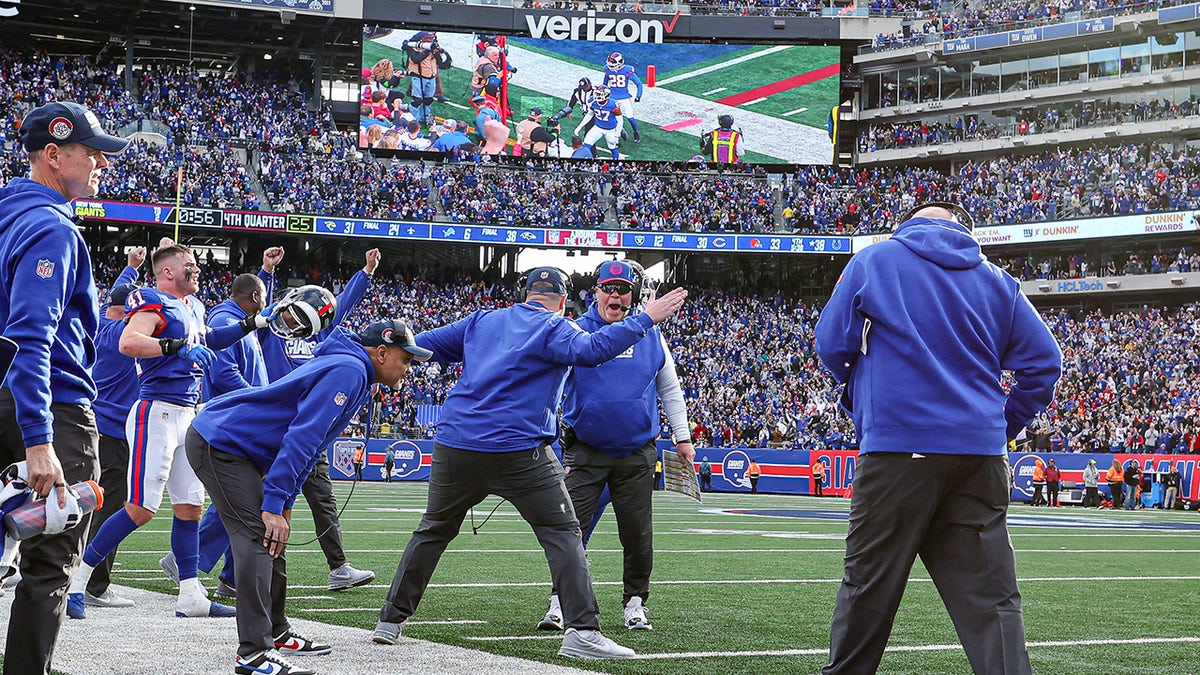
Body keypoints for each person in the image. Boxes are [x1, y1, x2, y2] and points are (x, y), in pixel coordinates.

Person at [372, 267, 688, 660]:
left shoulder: (481, 321)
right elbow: (593, 352)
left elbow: (422, 346)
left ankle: (390, 620)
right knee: (563, 533)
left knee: (433, 530)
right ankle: (582, 631)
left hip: (456, 445)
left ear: (525, 294)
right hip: (518, 452)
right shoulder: (557, 328)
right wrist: (645, 318)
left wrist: (373, 359)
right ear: (561, 302)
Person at [815, 201, 1062, 675]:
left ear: (907, 222)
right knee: (993, 602)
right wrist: (1001, 425)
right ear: (962, 227)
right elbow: (1044, 363)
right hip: (980, 457)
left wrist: (862, 400)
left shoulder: (875, 258)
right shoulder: (998, 280)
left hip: (897, 451)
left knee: (868, 587)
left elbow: (830, 343)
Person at [187, 317, 430, 675]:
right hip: (221, 443)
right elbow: (301, 438)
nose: (408, 369)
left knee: (273, 539)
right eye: (405, 359)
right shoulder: (349, 370)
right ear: (381, 352)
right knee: (257, 537)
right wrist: (272, 504)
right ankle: (253, 653)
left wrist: (283, 504)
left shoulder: (356, 371)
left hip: (241, 447)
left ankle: (276, 630)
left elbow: (314, 446)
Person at [66, 242, 271, 620]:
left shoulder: (193, 306)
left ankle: (191, 596)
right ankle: (78, 581)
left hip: (187, 413)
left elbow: (209, 339)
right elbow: (130, 341)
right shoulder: (152, 300)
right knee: (141, 508)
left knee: (191, 507)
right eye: (189, 265)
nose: (196, 270)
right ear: (167, 272)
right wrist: (175, 347)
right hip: (156, 411)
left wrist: (252, 323)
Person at [0, 100, 129, 675]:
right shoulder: (53, 229)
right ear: (53, 154)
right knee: (50, 566)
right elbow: (32, 337)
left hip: (6, 393)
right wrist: (38, 438)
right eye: (91, 150)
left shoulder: (8, 214)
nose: (102, 161)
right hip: (50, 406)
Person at [536, 260, 694, 634]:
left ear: (633, 296)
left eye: (623, 289)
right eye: (608, 287)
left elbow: (669, 387)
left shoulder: (653, 335)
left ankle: (635, 604)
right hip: (586, 450)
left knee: (638, 534)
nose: (615, 295)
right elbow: (551, 386)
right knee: (570, 530)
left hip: (636, 451)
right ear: (596, 292)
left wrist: (683, 438)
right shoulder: (574, 331)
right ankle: (561, 601)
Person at [80, 247, 145, 610]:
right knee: (111, 510)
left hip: (94, 429)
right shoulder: (126, 337)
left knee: (87, 505)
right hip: (119, 434)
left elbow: (117, 297)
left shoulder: (100, 326)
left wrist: (130, 269)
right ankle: (96, 583)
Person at [403, 31, 452, 125]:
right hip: (418, 77)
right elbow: (415, 59)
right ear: (422, 38)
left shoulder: (433, 47)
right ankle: (414, 120)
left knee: (428, 99)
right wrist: (428, 51)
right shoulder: (412, 47)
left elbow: (440, 62)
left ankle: (424, 118)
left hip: (431, 77)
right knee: (417, 100)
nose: (432, 39)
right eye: (429, 37)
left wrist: (437, 53)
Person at [601, 51, 644, 143]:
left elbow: (639, 83)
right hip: (612, 97)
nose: (610, 67)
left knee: (630, 117)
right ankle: (618, 135)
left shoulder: (627, 70)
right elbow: (604, 85)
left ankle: (636, 132)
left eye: (613, 64)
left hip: (624, 97)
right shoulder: (607, 70)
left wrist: (638, 96)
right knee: (612, 117)